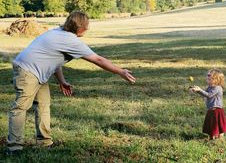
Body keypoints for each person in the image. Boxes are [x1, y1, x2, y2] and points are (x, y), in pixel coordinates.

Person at [7, 11, 136, 154]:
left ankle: (44, 142)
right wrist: (120, 71)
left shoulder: (58, 32)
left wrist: (62, 81)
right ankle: (14, 147)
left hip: (36, 70)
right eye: (86, 26)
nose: (88, 29)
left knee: (43, 105)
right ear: (79, 27)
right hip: (27, 71)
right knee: (20, 108)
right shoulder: (70, 40)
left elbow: (55, 60)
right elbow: (98, 60)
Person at [190, 69, 226, 140]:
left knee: (218, 124)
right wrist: (197, 90)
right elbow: (205, 93)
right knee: (211, 125)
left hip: (217, 110)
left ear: (217, 80)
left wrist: (199, 90)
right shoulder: (210, 87)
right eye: (208, 78)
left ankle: (220, 138)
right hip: (211, 109)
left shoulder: (218, 88)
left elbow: (209, 95)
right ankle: (212, 137)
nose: (208, 79)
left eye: (210, 78)